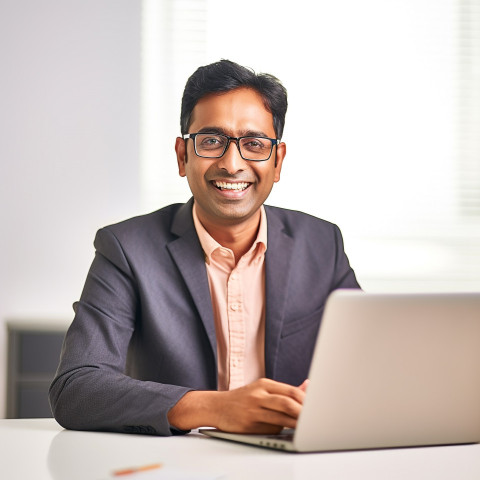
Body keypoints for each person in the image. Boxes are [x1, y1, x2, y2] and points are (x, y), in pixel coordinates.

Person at [49, 59, 360, 436]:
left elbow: (372, 366)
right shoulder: (127, 249)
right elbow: (76, 388)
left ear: (277, 161)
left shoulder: (321, 243)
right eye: (212, 141)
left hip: (291, 461)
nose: (232, 164)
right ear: (183, 156)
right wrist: (215, 408)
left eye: (254, 144)